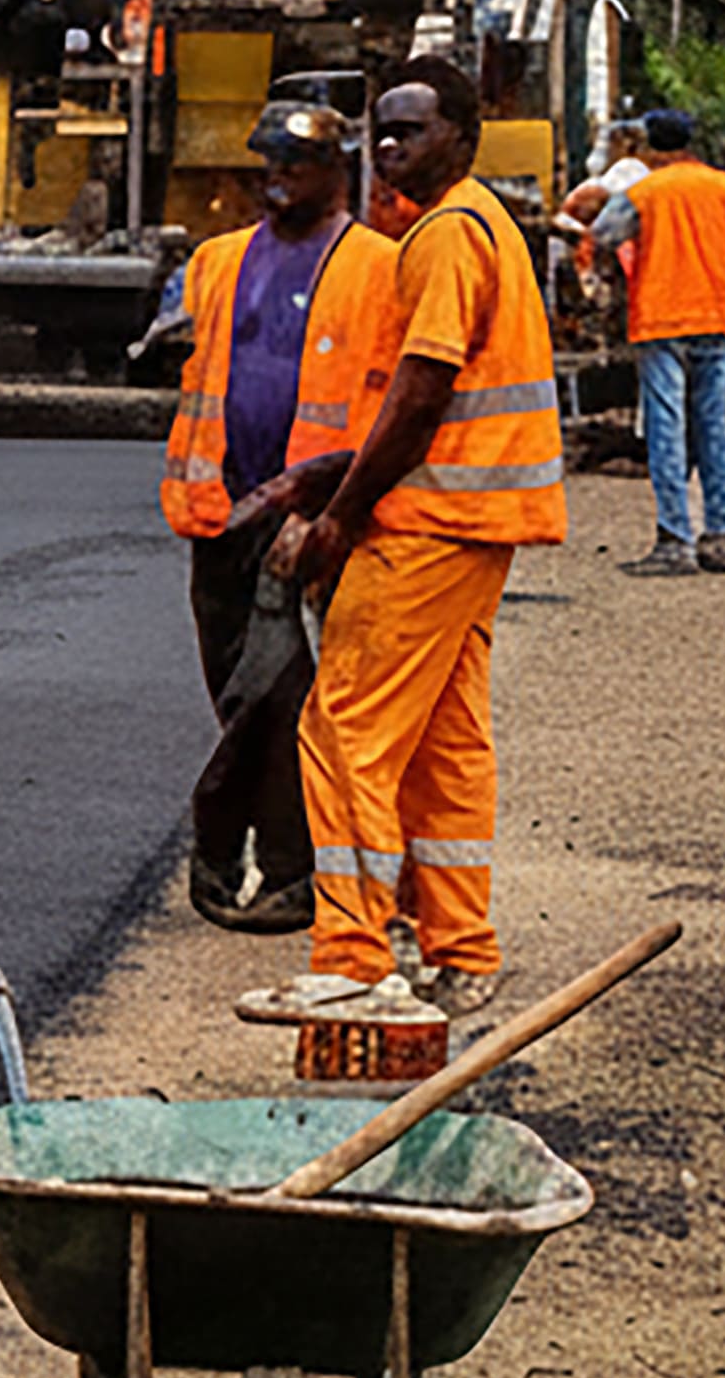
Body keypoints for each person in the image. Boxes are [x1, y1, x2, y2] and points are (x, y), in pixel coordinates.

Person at [242, 58, 567, 1026]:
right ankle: (458, 950)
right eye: (379, 132)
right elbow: (438, 399)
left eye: (410, 131)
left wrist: (340, 513)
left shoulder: (443, 237)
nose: (388, 148)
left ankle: (350, 955)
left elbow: (423, 392)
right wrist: (327, 471)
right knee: (441, 742)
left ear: (463, 137)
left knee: (342, 727)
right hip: (478, 522)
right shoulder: (478, 228)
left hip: (429, 524)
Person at [159, 101, 401, 934]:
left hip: (312, 515)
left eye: (294, 165)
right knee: (239, 695)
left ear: (338, 170)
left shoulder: (377, 265)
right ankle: (269, 856)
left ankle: (276, 861)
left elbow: (392, 401)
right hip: (223, 510)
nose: (276, 178)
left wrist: (335, 509)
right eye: (268, 162)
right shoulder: (219, 261)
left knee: (286, 695)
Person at [608, 103, 725, 574]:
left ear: (651, 145)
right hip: (716, 314)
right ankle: (720, 532)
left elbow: (606, 231)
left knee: (667, 428)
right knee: (713, 426)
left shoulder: (645, 191)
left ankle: (674, 539)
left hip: (662, 318)